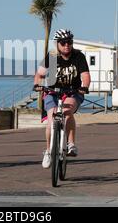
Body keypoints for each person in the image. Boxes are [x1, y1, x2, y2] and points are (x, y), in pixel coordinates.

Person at [33, 29, 91, 169]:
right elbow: (40, 75)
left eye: (69, 42)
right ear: (57, 44)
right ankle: (48, 151)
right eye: (63, 42)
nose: (67, 45)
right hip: (53, 91)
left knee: (67, 111)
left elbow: (85, 76)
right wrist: (37, 85)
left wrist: (85, 86)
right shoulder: (52, 56)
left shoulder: (78, 56)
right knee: (51, 118)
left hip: (73, 91)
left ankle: (71, 144)